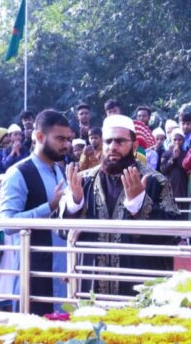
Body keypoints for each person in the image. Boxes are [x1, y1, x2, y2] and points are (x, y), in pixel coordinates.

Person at [62, 114, 181, 296]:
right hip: (91, 289)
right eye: (108, 141)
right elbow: (61, 231)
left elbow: (174, 234)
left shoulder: (156, 181)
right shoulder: (83, 181)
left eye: (120, 141)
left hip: (140, 290)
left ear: (134, 146)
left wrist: (140, 204)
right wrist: (74, 204)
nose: (113, 147)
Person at [0, 109, 71, 314]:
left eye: (67, 139)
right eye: (59, 139)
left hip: (59, 269)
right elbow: (7, 224)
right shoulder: (18, 173)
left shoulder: (59, 170)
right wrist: (49, 207)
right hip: (32, 270)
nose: (66, 144)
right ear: (40, 136)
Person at [159, 128, 189, 200]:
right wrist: (173, 158)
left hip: (182, 184)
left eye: (179, 139)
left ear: (183, 141)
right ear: (171, 140)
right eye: (175, 140)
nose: (177, 142)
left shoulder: (186, 153)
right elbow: (163, 169)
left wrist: (178, 156)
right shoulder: (166, 154)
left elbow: (186, 168)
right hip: (169, 183)